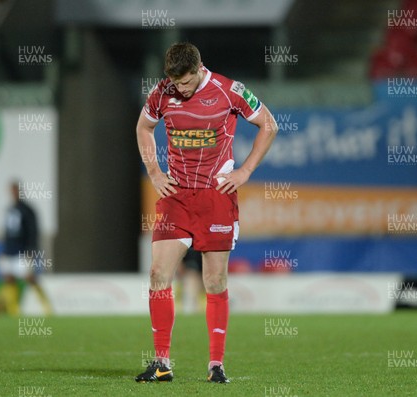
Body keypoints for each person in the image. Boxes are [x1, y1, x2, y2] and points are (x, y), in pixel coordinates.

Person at [135, 42, 278, 383]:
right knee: (158, 274)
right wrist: (154, 172)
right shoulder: (162, 92)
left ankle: (216, 365)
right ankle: (161, 362)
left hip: (216, 195)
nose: (180, 90)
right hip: (177, 195)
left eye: (186, 83)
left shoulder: (229, 91)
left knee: (213, 281)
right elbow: (143, 127)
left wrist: (244, 172)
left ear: (200, 69)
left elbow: (269, 124)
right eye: (176, 84)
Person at [0, 181, 52, 315]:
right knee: (9, 278)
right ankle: (14, 311)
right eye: (12, 190)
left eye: (16, 190)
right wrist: (4, 250)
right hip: (9, 251)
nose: (14, 193)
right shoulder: (10, 209)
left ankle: (46, 306)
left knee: (29, 278)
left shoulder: (28, 210)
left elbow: (33, 231)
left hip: (23, 251)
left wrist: (31, 250)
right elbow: (7, 233)